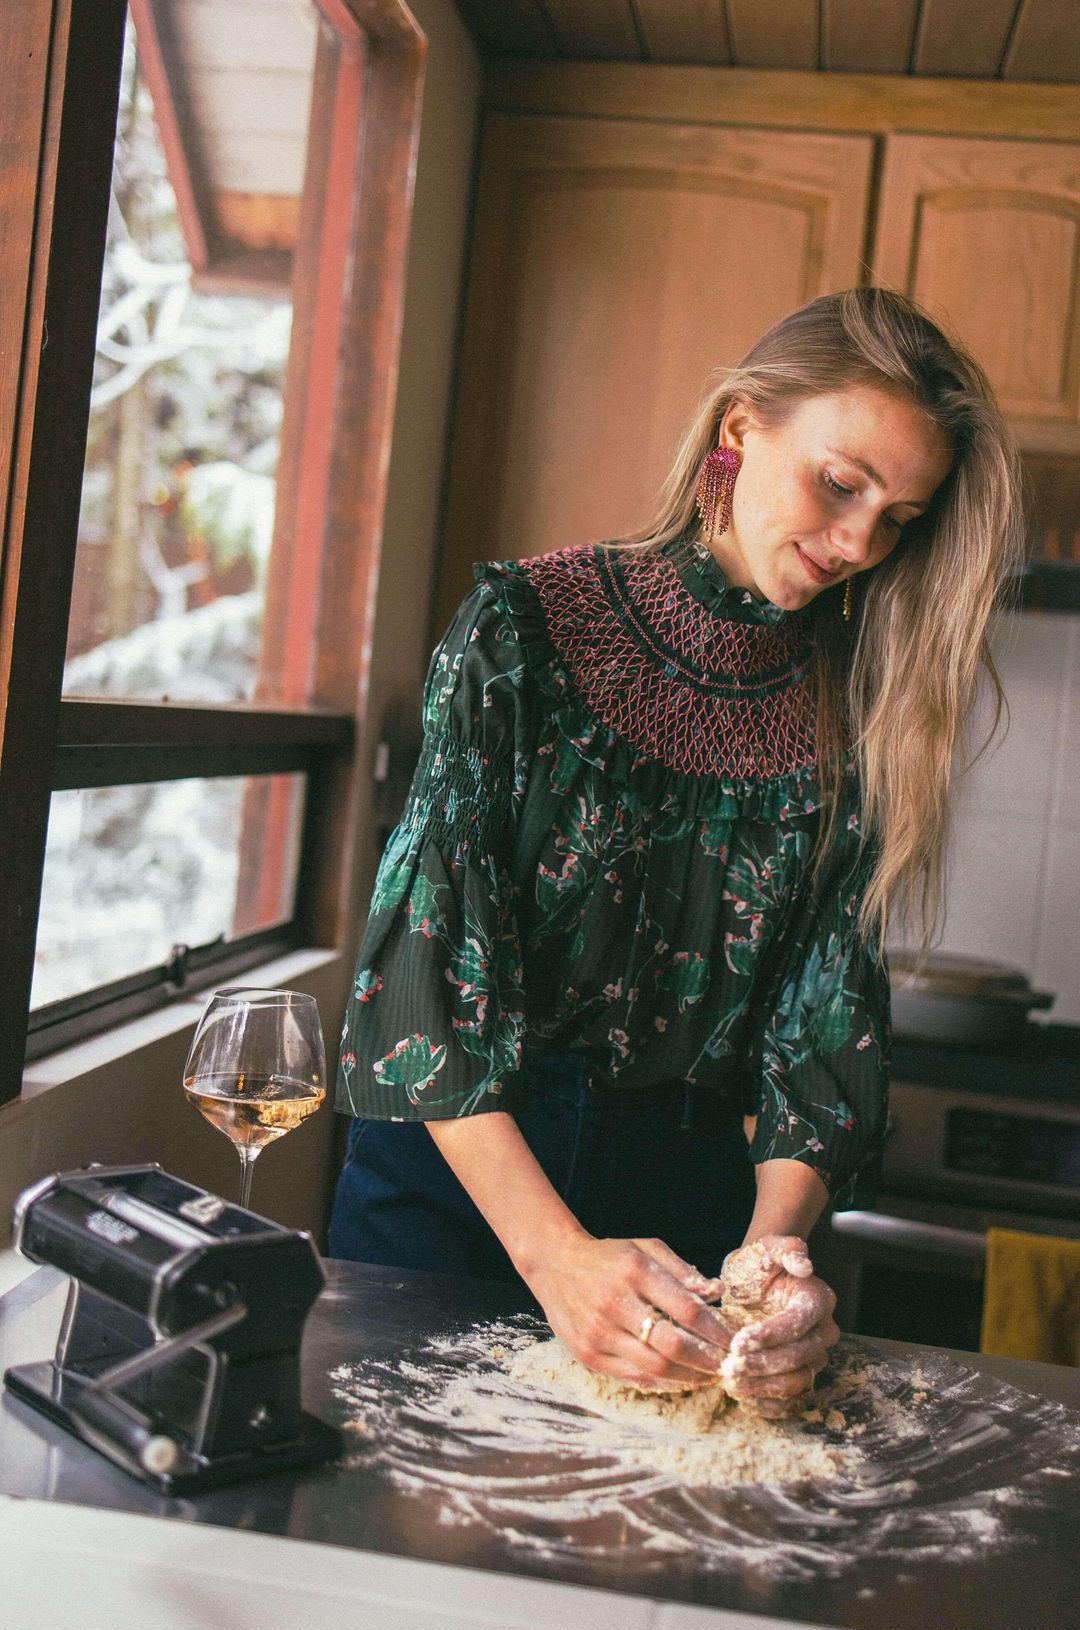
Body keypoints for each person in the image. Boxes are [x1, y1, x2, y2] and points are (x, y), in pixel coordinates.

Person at [329, 287, 1022, 1416]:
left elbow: (821, 1028)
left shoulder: (863, 709)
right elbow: (423, 978)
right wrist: (556, 1256)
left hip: (691, 1201)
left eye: (899, 517)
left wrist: (770, 1258)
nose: (860, 543)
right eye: (840, 483)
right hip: (462, 1186)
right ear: (742, 426)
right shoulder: (523, 627)